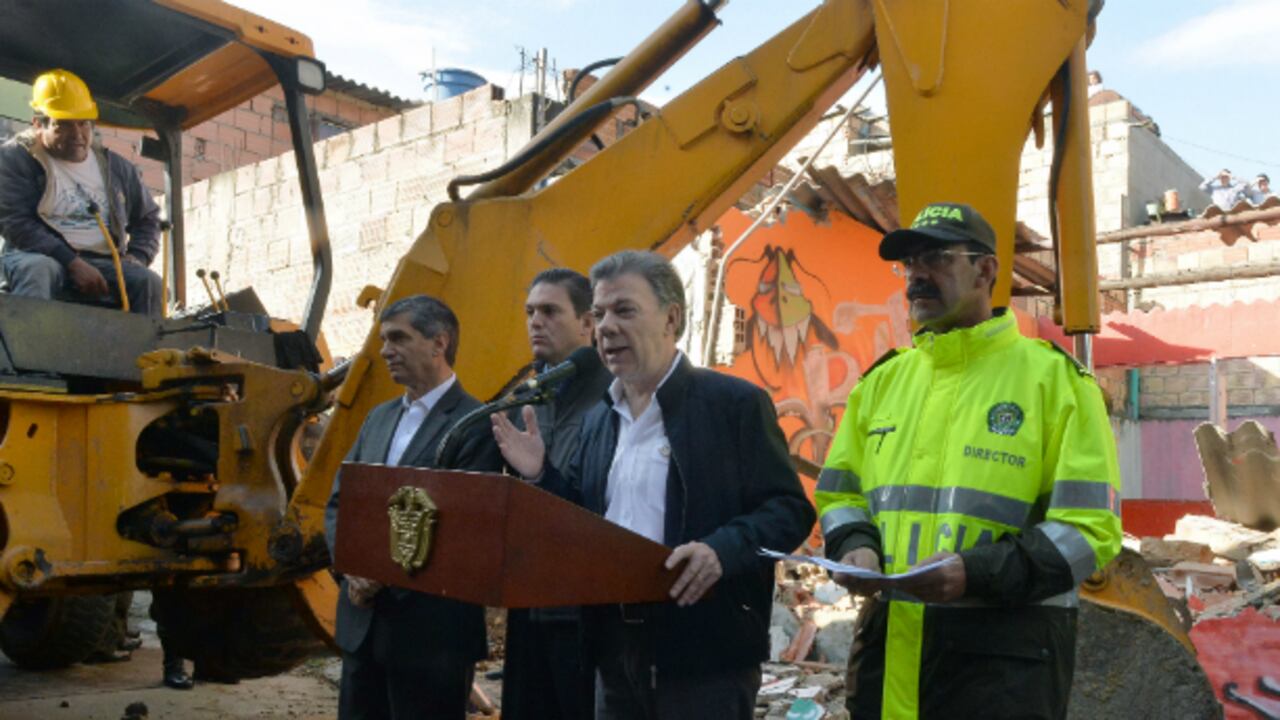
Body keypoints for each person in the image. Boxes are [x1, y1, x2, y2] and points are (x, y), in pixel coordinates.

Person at [814, 202, 1123, 720]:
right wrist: (855, 547)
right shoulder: (881, 384)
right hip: (887, 659)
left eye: (936, 258)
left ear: (985, 271)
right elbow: (840, 495)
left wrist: (972, 573)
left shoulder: (1056, 383)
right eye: (909, 263)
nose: (917, 275)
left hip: (1001, 672)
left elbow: (1089, 531)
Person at [492, 250, 815, 720]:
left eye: (624, 310)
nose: (606, 328)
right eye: (600, 314)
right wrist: (541, 474)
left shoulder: (733, 405)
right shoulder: (599, 420)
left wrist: (720, 551)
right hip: (612, 650)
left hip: (703, 654)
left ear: (671, 318)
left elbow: (789, 510)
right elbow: (582, 521)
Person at [324, 295, 503, 720]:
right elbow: (339, 504)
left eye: (398, 338)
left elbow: (461, 528)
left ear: (439, 342)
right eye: (384, 339)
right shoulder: (378, 418)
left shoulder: (476, 423)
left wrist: (380, 576)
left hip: (431, 636)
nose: (386, 350)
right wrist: (351, 569)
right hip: (363, 626)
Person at [501, 268, 611, 720]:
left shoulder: (614, 396)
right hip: (528, 603)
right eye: (530, 311)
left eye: (549, 311)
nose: (535, 322)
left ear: (587, 323)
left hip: (587, 611)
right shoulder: (524, 397)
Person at [0, 68, 162, 315]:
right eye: (63, 125)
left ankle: (149, 343)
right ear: (38, 124)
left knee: (148, 282)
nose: (77, 134)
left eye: (83, 123)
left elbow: (148, 218)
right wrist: (72, 262)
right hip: (36, 255)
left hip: (104, 261)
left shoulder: (117, 169)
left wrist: (138, 256)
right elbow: (15, 222)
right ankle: (29, 339)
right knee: (38, 270)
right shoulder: (14, 158)